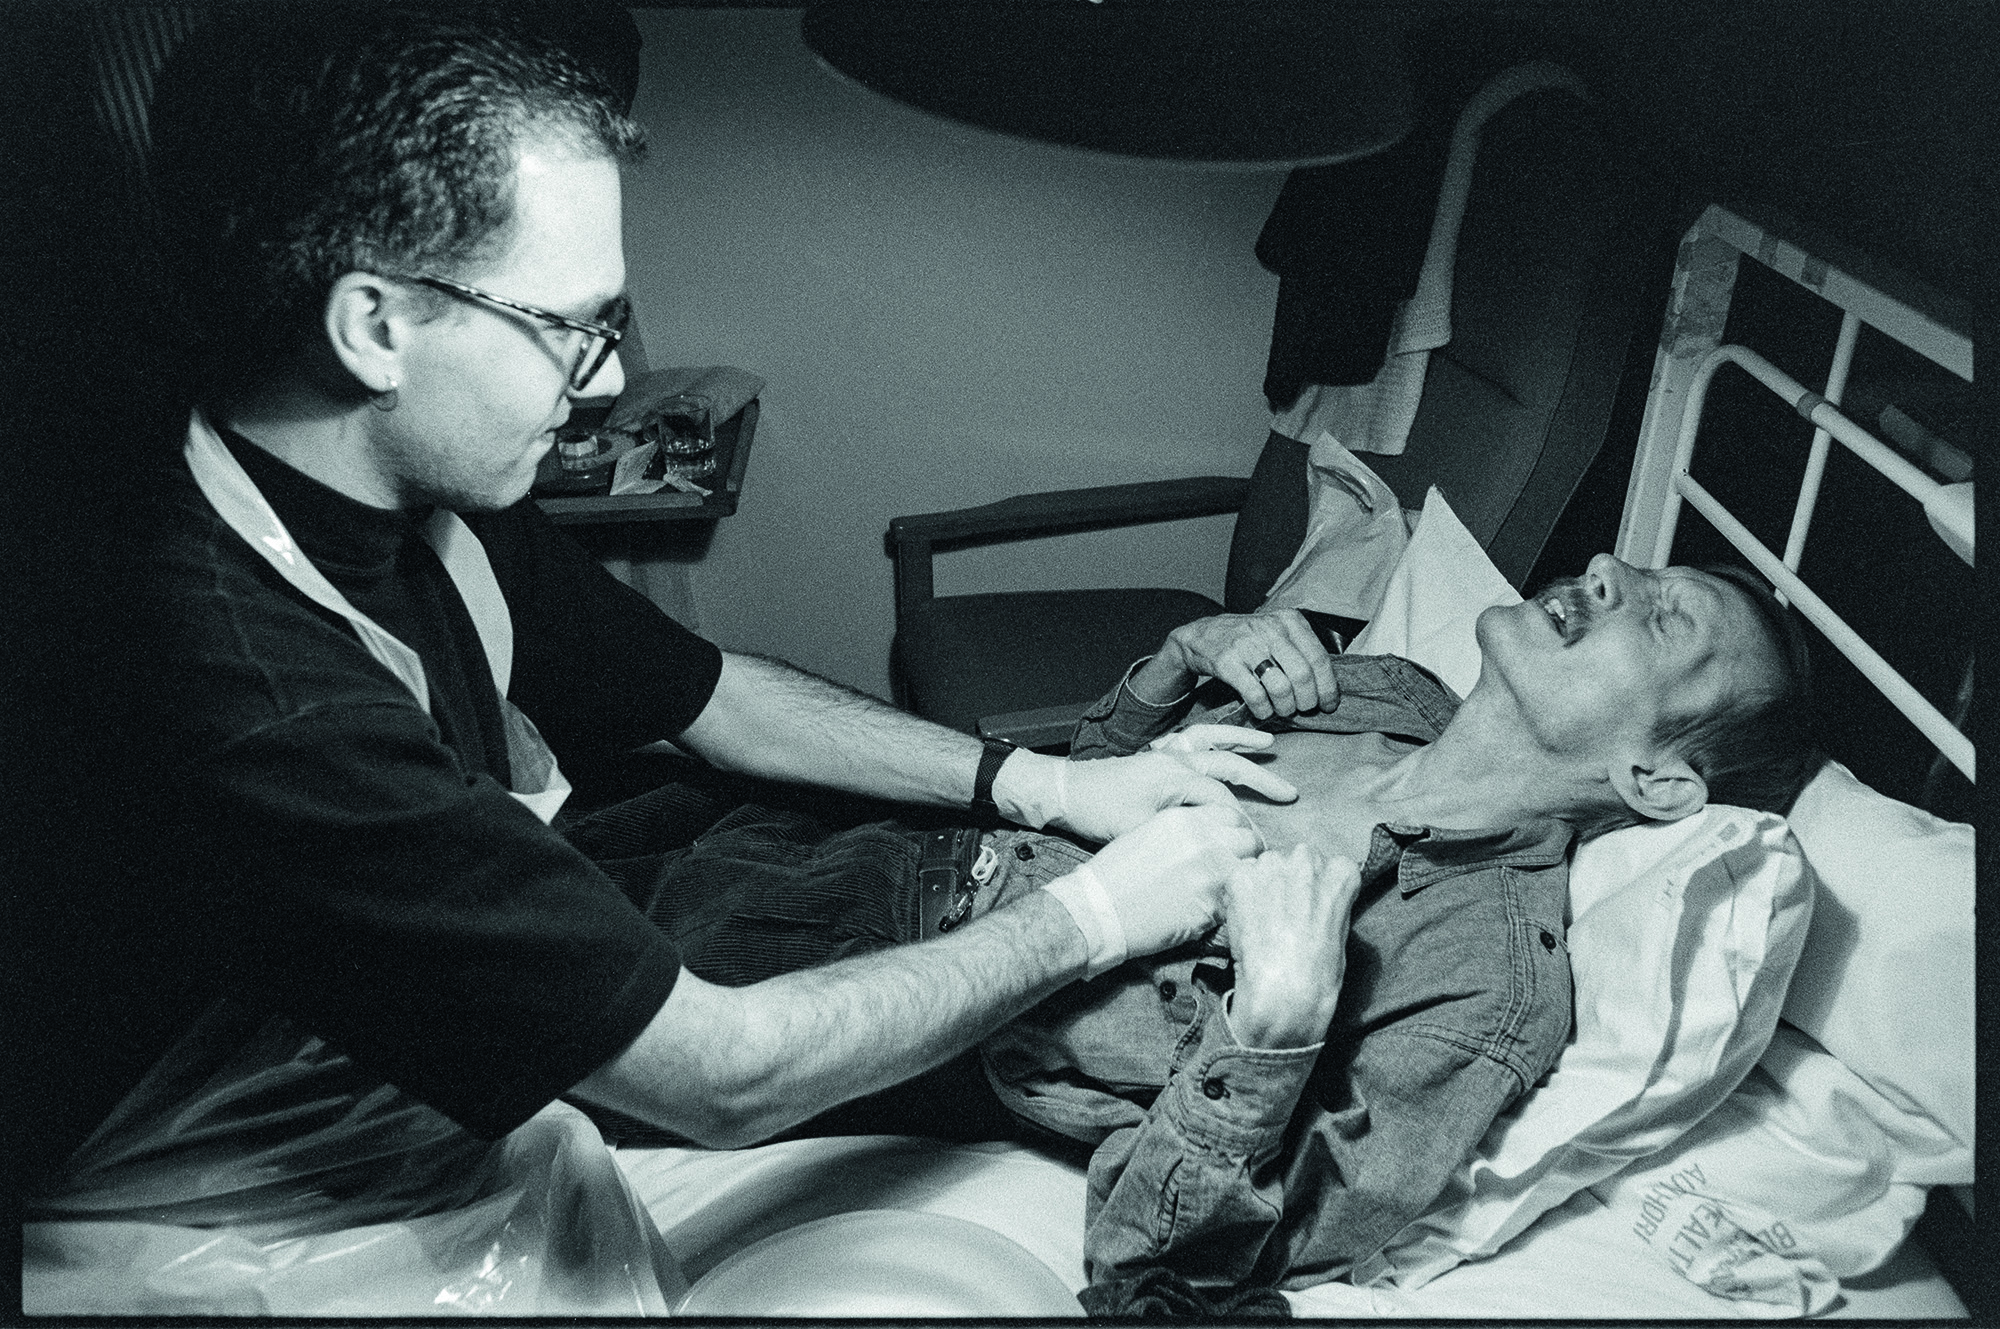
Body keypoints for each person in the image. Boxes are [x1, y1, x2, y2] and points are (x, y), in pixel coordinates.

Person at [8, 5, 1289, 1233]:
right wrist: (1097, 915)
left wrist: (1047, 789)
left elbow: (704, 694)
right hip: (243, 1198)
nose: (611, 376)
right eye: (570, 328)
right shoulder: (258, 702)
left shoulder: (414, 475)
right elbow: (721, 1075)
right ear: (375, 325)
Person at [973, 556, 1824, 1309]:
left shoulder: (1486, 992)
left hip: (936, 1019)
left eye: (1666, 617)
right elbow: (1074, 795)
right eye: (1638, 567)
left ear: (1657, 780)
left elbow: (1163, 1282)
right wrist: (1177, 659)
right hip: (907, 838)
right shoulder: (1385, 688)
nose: (1605, 568)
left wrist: (1269, 1032)